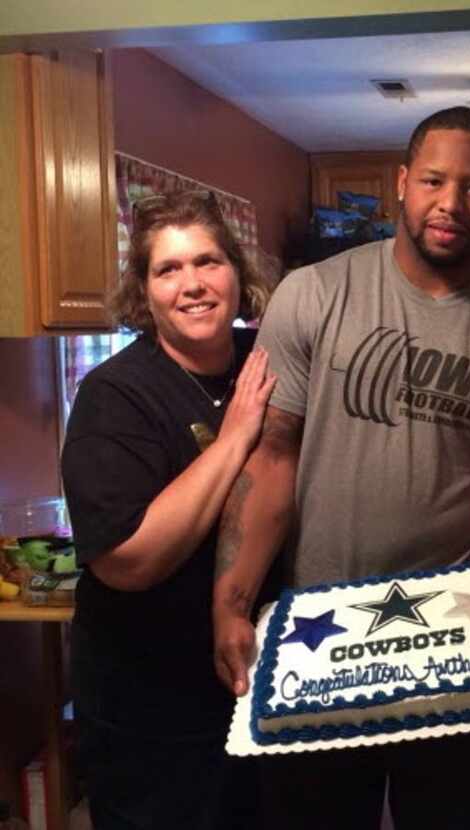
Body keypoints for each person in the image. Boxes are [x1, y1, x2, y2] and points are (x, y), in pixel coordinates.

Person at [212, 106, 470, 829]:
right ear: (403, 182)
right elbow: (272, 458)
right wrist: (232, 598)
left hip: (447, 655)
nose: (450, 203)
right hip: (318, 636)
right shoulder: (313, 293)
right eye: (434, 179)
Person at [62, 190, 277, 830]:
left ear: (238, 273)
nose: (193, 285)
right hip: (151, 710)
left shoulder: (268, 363)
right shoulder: (115, 396)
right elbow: (129, 561)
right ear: (144, 291)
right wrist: (236, 437)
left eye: (208, 261)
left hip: (258, 687)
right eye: (169, 269)